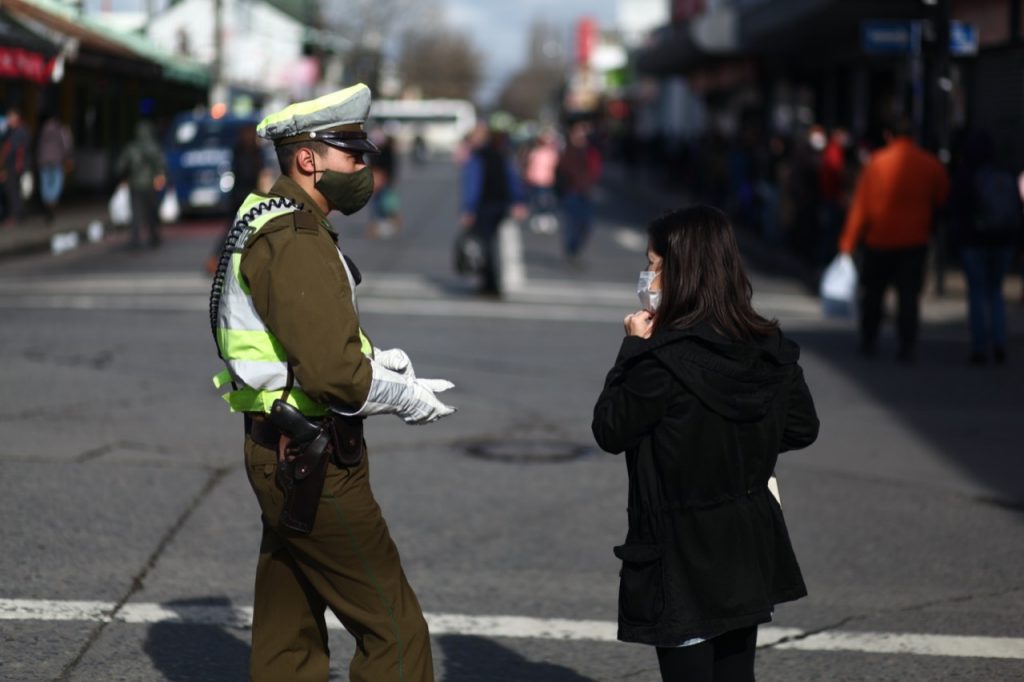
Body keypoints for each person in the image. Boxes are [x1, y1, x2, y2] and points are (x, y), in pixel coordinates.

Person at [210, 83, 455, 682]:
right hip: (312, 460)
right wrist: (402, 397)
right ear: (308, 159)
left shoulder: (269, 219)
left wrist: (385, 359)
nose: (364, 166)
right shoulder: (294, 238)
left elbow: (304, 335)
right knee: (395, 632)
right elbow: (334, 376)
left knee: (286, 637)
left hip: (279, 446)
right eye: (352, 153)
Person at [592, 206, 819, 682]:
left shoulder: (661, 361)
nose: (647, 277)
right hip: (746, 541)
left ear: (684, 272)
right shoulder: (766, 347)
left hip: (677, 551)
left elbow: (610, 429)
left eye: (654, 266)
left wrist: (632, 347)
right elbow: (801, 426)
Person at [837, 116, 950, 362]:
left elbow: (861, 207)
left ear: (888, 135)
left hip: (880, 240)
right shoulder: (930, 164)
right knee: (909, 296)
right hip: (915, 241)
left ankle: (870, 340)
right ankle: (907, 345)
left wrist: (847, 243)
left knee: (874, 294)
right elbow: (942, 198)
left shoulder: (876, 163)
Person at [948, 131, 1023, 365]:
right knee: (995, 293)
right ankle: (999, 342)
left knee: (978, 293)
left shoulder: (966, 175)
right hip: (1002, 241)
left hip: (974, 242)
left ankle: (980, 346)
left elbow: (956, 210)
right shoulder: (1004, 172)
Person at [459, 125, 527, 295]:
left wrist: (468, 209)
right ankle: (495, 281)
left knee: (485, 246)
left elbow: (472, 186)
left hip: (485, 206)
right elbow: (512, 179)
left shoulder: (478, 157)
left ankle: (490, 282)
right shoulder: (502, 154)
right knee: (498, 246)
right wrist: (518, 201)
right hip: (501, 204)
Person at [116, 121, 166, 248]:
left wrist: (125, 177)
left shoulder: (131, 148)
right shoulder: (154, 147)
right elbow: (161, 165)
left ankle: (136, 238)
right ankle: (154, 236)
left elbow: (121, 166)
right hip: (150, 184)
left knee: (136, 213)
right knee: (152, 212)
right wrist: (160, 177)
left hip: (135, 184)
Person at [557, 121, 601, 260]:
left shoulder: (590, 151)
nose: (581, 134)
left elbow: (595, 169)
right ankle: (571, 250)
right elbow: (561, 170)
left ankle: (575, 248)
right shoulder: (567, 151)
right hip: (572, 191)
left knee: (586, 225)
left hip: (586, 192)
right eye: (578, 131)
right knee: (573, 223)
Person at [35, 112, 74, 225]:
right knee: (56, 182)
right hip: (57, 160)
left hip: (43, 161)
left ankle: (47, 201)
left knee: (45, 183)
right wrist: (69, 158)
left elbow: (38, 146)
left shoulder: (42, 130)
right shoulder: (62, 129)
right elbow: (67, 145)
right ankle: (52, 202)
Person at [0, 108, 30, 226]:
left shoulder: (20, 132)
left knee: (13, 191)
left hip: (16, 167)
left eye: (11, 117)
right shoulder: (10, 131)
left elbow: (12, 150)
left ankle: (15, 216)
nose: (9, 120)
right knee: (11, 191)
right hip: (11, 167)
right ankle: (14, 215)